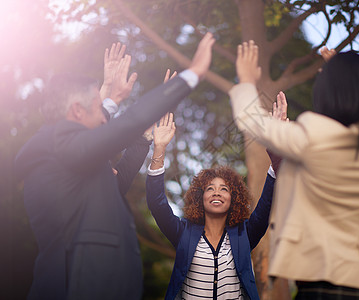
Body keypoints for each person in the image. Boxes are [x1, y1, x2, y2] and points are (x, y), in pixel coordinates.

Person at [14, 33, 215, 300]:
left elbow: (117, 181)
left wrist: (133, 119)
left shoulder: (70, 160)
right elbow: (122, 126)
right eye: (99, 110)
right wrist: (191, 75)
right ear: (76, 111)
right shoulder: (55, 145)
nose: (105, 118)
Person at [228, 41, 359, 298]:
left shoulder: (315, 136)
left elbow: (252, 122)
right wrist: (357, 86)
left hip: (323, 284)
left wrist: (245, 80)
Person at [145, 97, 286, 299]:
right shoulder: (183, 233)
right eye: (210, 188)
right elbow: (157, 204)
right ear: (200, 198)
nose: (217, 192)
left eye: (224, 189)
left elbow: (267, 204)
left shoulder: (245, 234)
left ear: (234, 198)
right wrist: (159, 149)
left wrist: (276, 158)